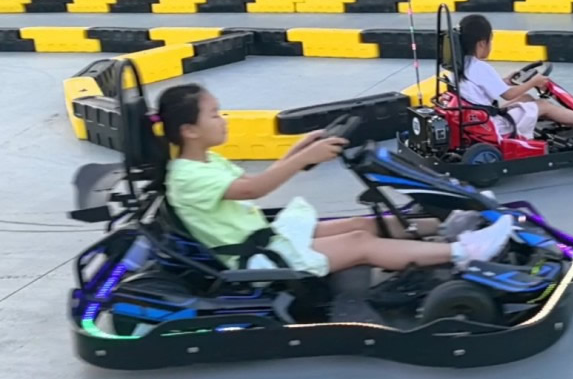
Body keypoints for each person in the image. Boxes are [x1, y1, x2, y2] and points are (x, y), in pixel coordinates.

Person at [155, 84, 514, 277]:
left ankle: (451, 224)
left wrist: (298, 149)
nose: (223, 119)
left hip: (267, 235)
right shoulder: (186, 177)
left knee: (362, 222)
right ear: (189, 130)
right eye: (214, 115)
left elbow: (253, 180)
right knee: (361, 242)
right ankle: (463, 252)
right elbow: (254, 189)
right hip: (257, 257)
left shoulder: (206, 161)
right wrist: (303, 160)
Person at [456, 15, 573, 139]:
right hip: (492, 124)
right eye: (490, 42)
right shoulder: (481, 67)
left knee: (526, 98)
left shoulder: (462, 65)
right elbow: (508, 95)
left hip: (476, 119)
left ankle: (571, 116)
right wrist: (533, 82)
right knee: (543, 105)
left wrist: (506, 81)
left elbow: (482, 87)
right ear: (482, 43)